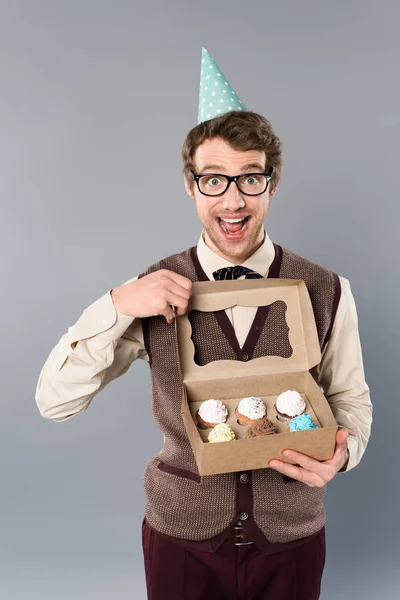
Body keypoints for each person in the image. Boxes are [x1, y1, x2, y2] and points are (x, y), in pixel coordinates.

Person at [35, 48, 373, 599]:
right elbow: (55, 401)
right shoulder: (149, 288)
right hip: (182, 540)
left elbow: (351, 401)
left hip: (290, 539)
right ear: (190, 186)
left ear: (273, 184)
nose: (233, 200)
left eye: (250, 179)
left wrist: (343, 450)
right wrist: (115, 303)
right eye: (214, 180)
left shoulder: (327, 289)